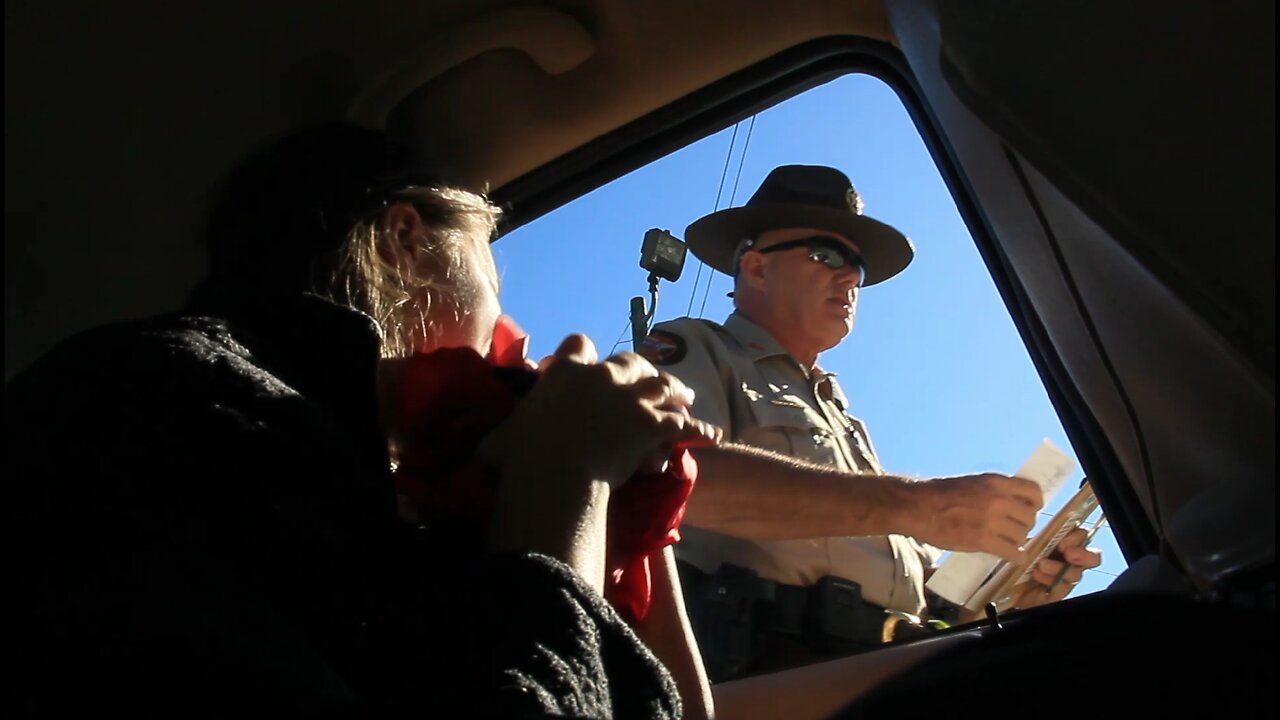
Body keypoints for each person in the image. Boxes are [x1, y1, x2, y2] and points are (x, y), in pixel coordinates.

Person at [3, 123, 718, 718]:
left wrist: (636, 515)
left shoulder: (328, 463)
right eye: (491, 284)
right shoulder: (177, 406)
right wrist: (569, 468)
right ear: (404, 237)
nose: (509, 330)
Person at [636, 165, 1104, 681]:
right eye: (827, 255)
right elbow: (677, 479)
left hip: (897, 670)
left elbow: (937, 612)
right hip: (772, 677)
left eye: (856, 265)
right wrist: (919, 504)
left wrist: (1020, 587)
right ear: (757, 268)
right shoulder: (695, 348)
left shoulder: (844, 419)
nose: (851, 277)